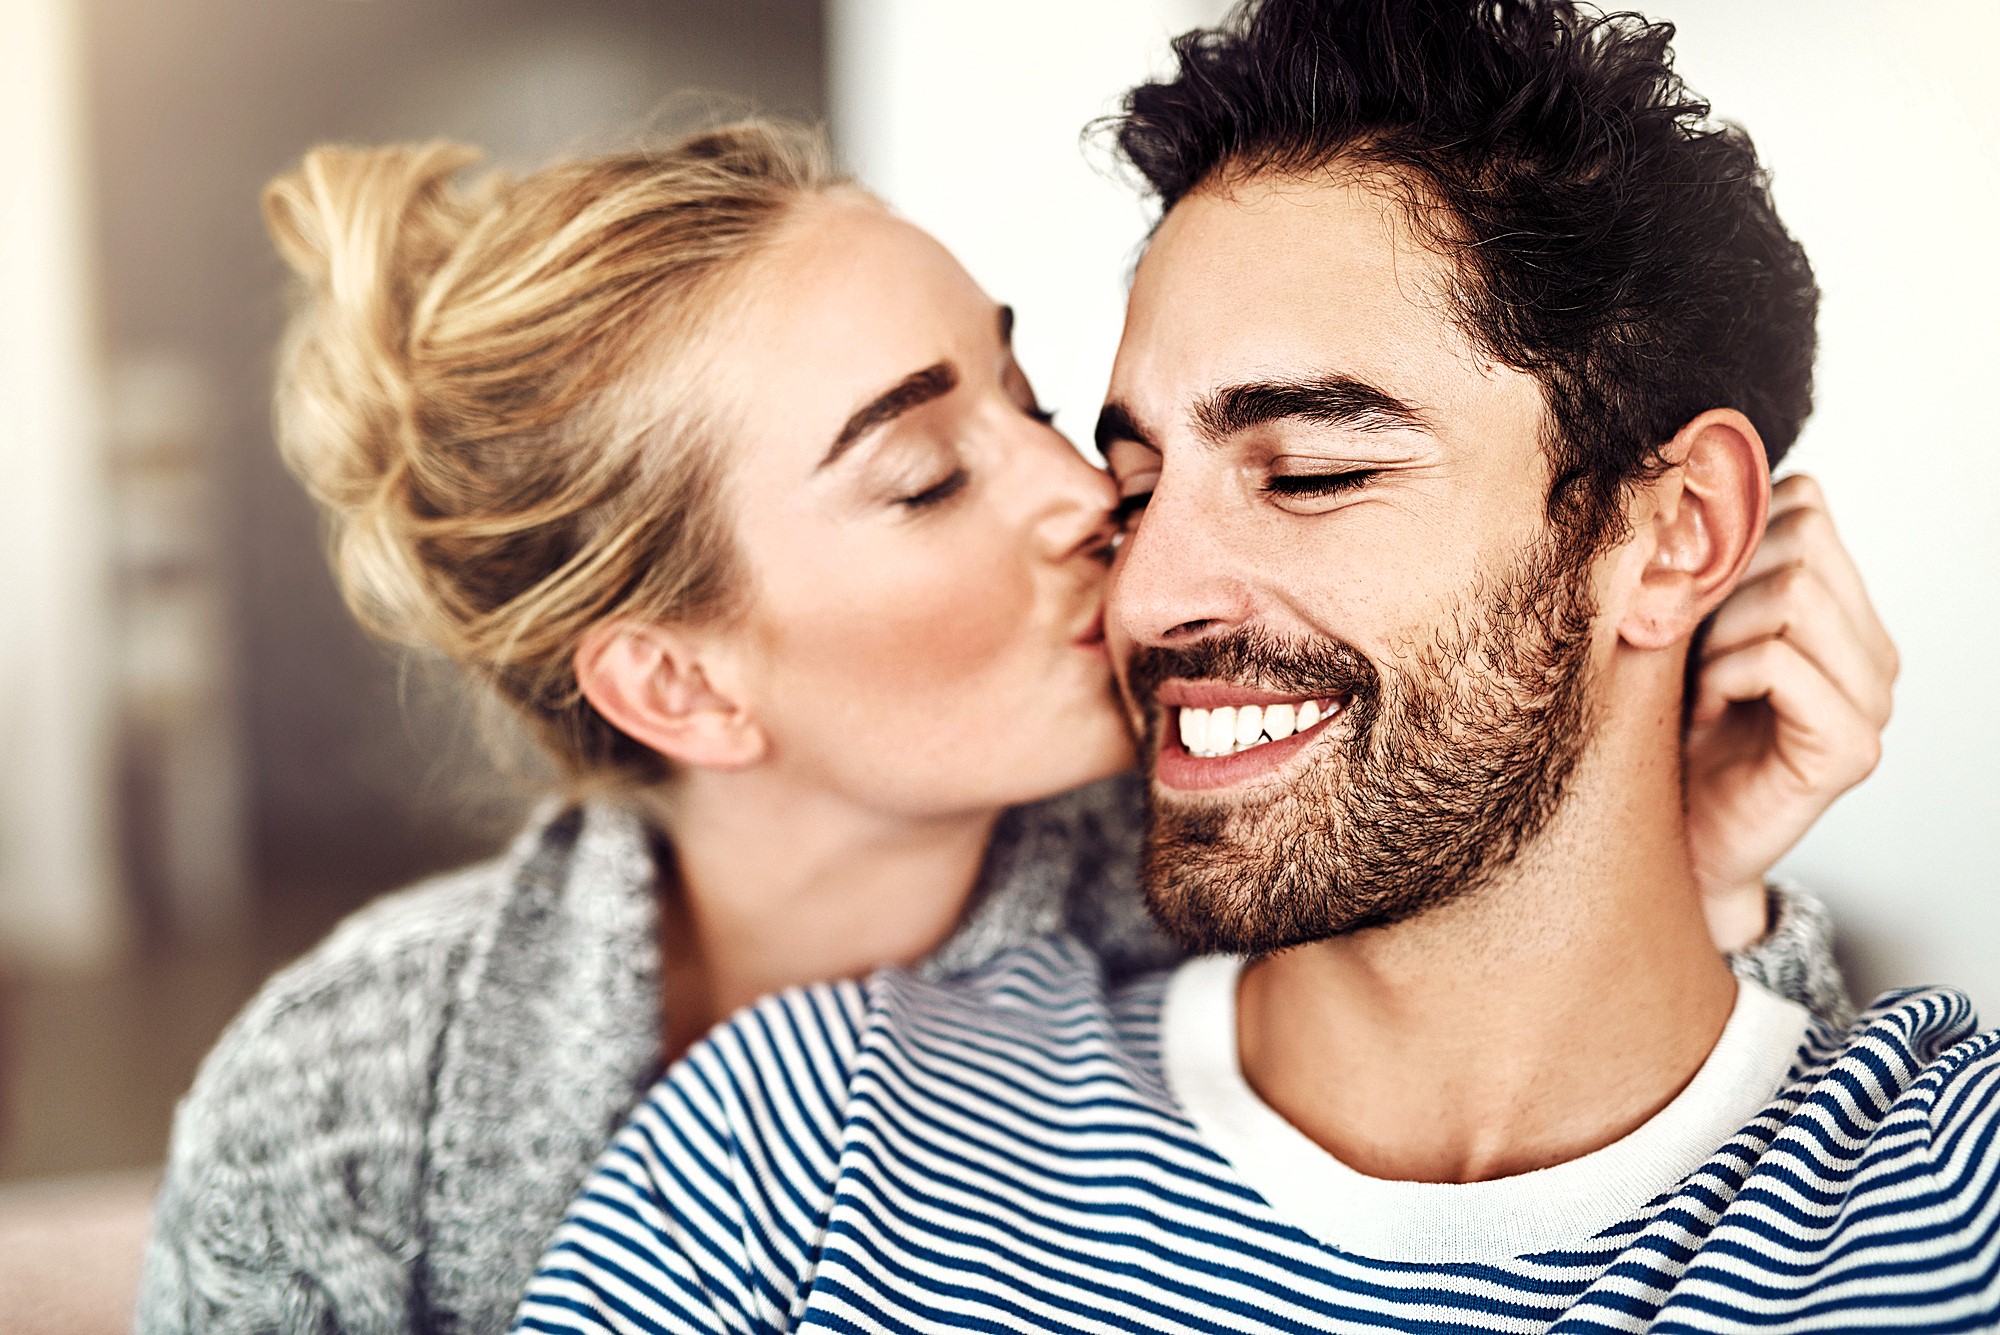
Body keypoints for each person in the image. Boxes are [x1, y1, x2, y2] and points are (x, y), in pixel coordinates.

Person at [143, 83, 1885, 1335]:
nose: (1090, 500)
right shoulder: (348, 1105)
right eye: (921, 477)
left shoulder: (1259, 843)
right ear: (679, 680)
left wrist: (1685, 870)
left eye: (1029, 395)